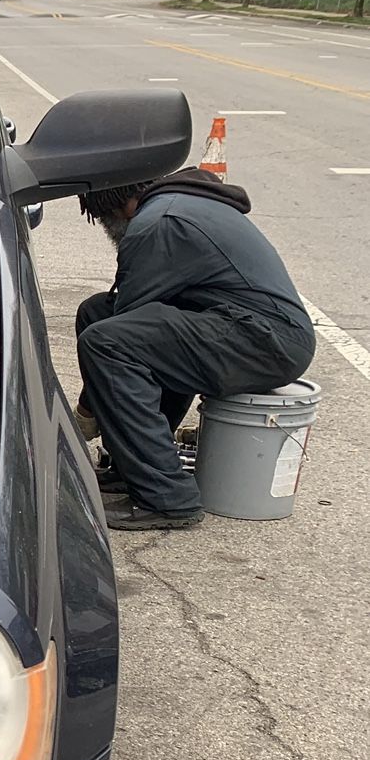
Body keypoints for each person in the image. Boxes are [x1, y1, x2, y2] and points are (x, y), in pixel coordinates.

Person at [73, 168, 315, 531]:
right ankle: (133, 466)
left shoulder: (157, 224)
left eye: (105, 220)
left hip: (266, 341)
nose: (110, 231)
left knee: (108, 342)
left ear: (119, 206)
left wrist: (85, 412)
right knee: (97, 312)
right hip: (247, 327)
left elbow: (126, 328)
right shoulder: (178, 203)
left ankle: (165, 497)